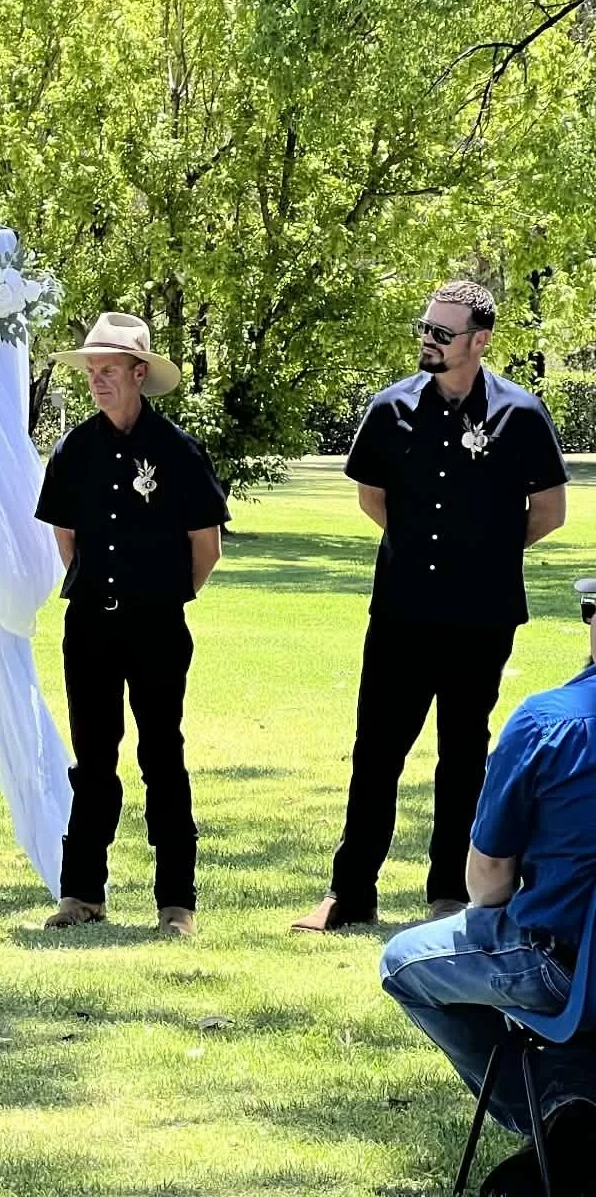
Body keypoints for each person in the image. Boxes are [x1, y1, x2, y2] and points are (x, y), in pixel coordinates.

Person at [296, 281, 570, 932]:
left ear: (480, 341)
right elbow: (373, 500)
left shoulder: (521, 414)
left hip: (483, 614)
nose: (429, 339)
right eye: (426, 327)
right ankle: (350, 893)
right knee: (377, 750)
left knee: (464, 750)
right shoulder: (389, 409)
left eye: (443, 332)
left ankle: (450, 892)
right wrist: (425, 557)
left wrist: (485, 554)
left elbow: (550, 512)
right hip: (401, 610)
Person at [378, 588, 596, 1192]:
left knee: (403, 962)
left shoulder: (548, 721)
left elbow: (488, 883)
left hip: (563, 966)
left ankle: (557, 1116)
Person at [34, 313, 227, 938]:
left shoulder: (176, 451)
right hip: (89, 624)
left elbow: (207, 546)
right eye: (91, 371)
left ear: (139, 374)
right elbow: (66, 537)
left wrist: (164, 597)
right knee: (92, 759)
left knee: (161, 755)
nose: (98, 381)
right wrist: (100, 591)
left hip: (156, 627)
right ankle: (82, 894)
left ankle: (177, 902)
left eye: (109, 370)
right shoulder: (75, 449)